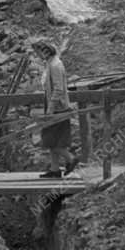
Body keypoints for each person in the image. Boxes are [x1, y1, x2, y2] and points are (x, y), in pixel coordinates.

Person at [34, 39, 76, 179]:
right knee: (50, 139)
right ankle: (55, 169)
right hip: (52, 104)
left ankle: (71, 159)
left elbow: (58, 89)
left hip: (58, 107)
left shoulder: (55, 65)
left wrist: (51, 108)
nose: (38, 55)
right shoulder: (50, 63)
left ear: (45, 52)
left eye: (38, 52)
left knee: (53, 141)